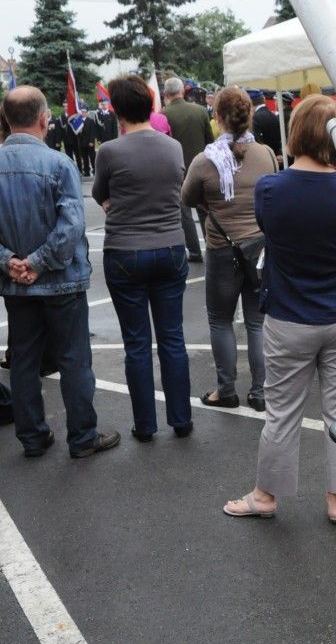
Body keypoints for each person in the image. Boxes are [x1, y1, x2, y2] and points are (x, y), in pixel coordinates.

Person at [223, 94, 336, 523]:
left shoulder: (271, 189)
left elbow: (268, 231)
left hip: (290, 315)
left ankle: (265, 495)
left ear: (296, 132)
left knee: (283, 410)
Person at [0, 85, 119, 458]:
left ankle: (33, 437)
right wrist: (36, 262)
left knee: (24, 361)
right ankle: (82, 437)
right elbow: (71, 227)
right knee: (73, 359)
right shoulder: (58, 163)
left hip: (17, 284)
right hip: (61, 282)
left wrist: (11, 261)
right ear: (43, 119)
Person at [92, 76, 193, 442]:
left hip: (125, 251)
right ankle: (181, 419)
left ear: (116, 111)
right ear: (151, 105)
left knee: (136, 343)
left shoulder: (110, 151)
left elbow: (100, 192)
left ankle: (146, 425)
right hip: (170, 246)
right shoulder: (173, 147)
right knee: (172, 338)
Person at [181, 85, 278, 410]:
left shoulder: (205, 161)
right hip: (259, 248)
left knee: (220, 321)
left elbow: (187, 198)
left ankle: (226, 390)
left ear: (218, 117)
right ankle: (260, 392)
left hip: (223, 249)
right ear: (249, 115)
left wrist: (212, 202)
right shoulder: (265, 155)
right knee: (256, 323)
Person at [162, 75, 215, 264]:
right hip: (202, 167)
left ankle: (194, 251)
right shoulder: (200, 111)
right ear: (182, 91)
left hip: (177, 169)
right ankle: (212, 247)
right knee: (205, 210)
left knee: (184, 214)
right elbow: (210, 142)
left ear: (166, 94)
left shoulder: (163, 115)